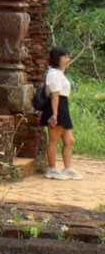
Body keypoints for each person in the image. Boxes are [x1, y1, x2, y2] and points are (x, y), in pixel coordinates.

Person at [43, 46, 80, 180]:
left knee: (70, 141)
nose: (67, 60)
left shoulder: (59, 73)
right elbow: (54, 96)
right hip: (56, 107)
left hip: (62, 106)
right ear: (57, 59)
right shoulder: (53, 74)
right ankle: (52, 168)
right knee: (54, 140)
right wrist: (54, 114)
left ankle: (68, 168)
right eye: (65, 57)